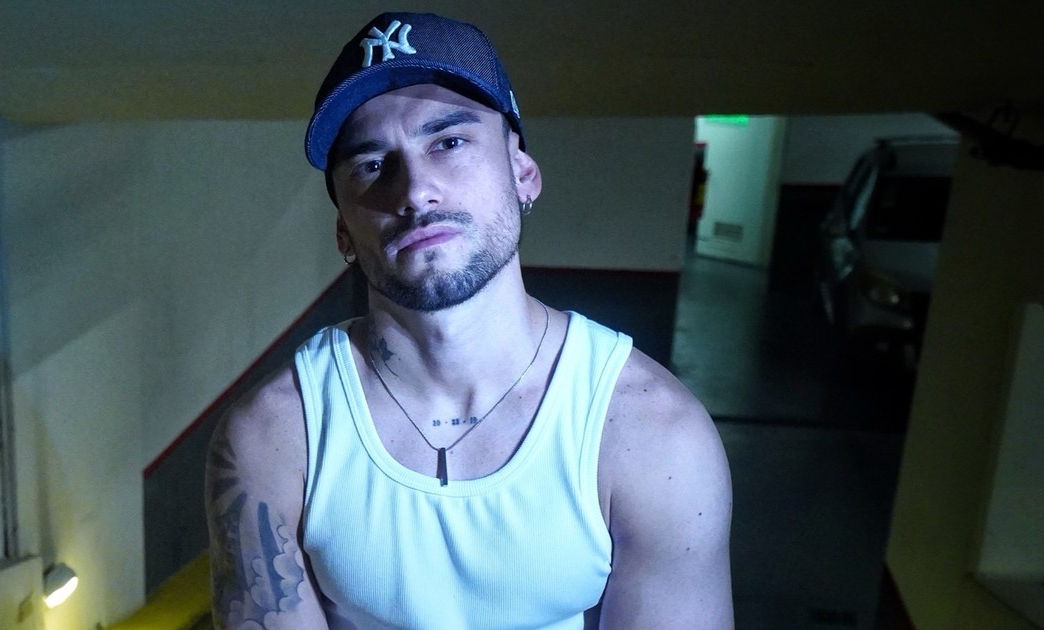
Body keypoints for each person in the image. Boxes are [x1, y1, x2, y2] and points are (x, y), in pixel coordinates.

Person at [206, 12, 733, 630]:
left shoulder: (652, 433)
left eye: (448, 142)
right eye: (371, 165)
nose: (415, 191)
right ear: (343, 231)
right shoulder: (273, 437)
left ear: (523, 175)